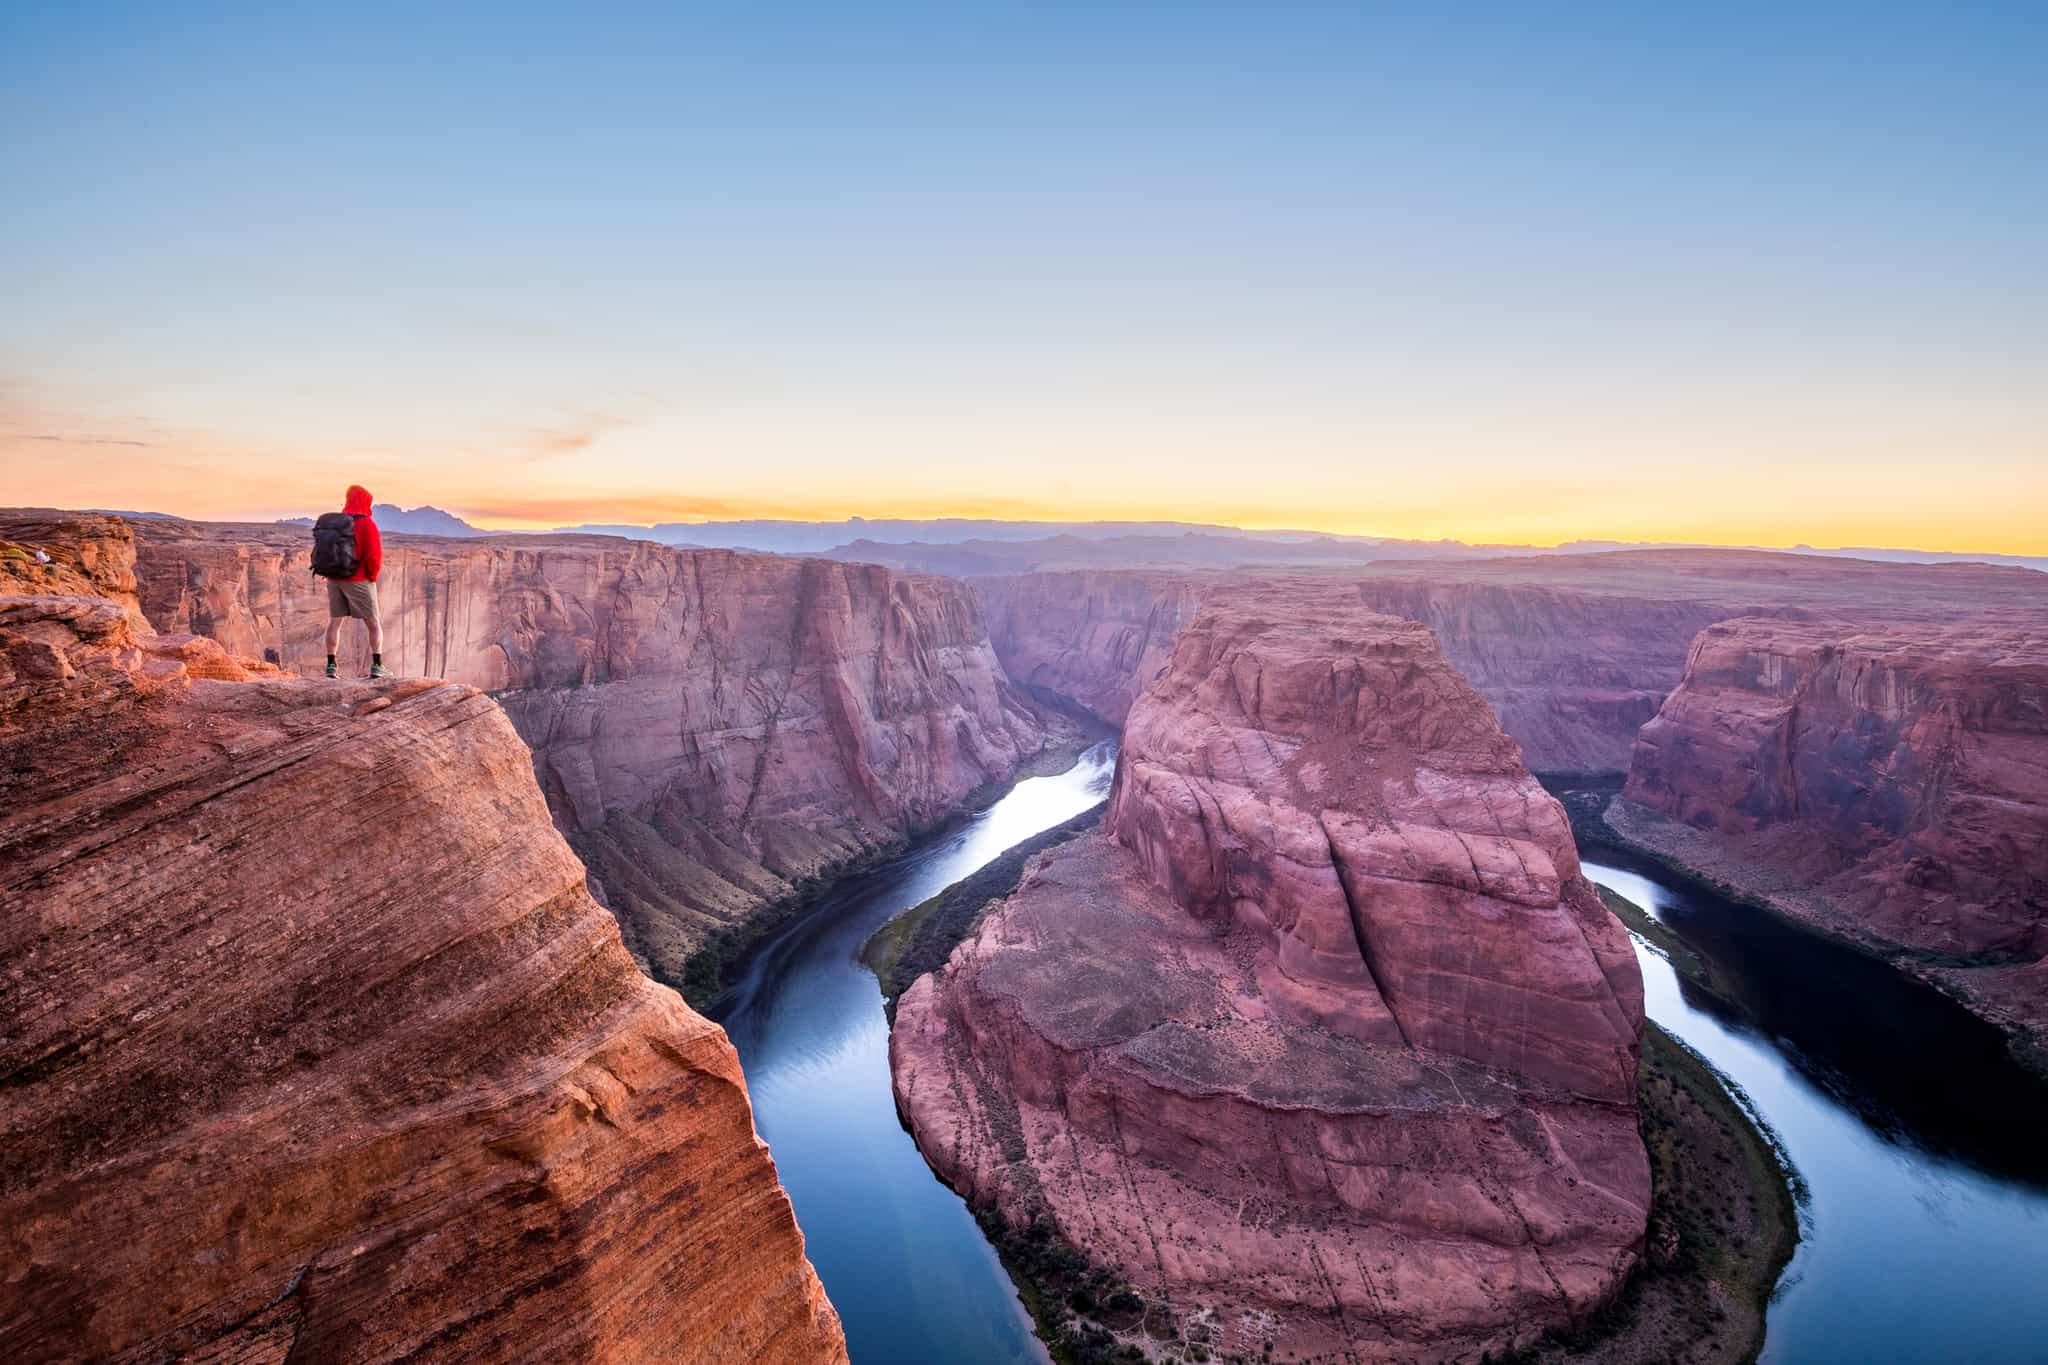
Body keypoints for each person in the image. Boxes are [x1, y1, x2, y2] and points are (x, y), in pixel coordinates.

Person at [319, 485, 388, 678]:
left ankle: (331, 666)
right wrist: (372, 577)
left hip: (334, 578)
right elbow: (373, 555)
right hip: (358, 579)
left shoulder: (335, 522)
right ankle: (377, 665)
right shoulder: (367, 523)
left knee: (335, 623)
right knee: (373, 623)